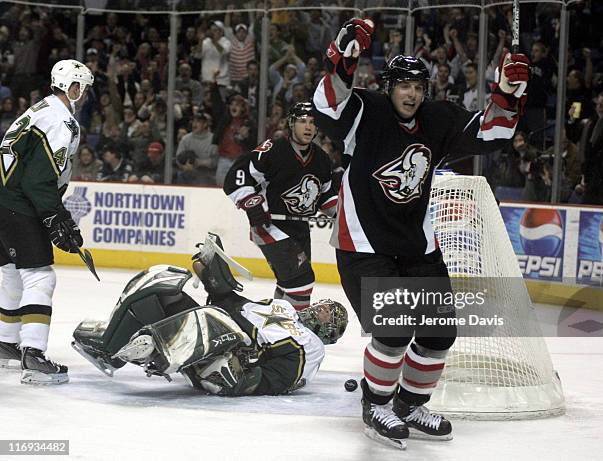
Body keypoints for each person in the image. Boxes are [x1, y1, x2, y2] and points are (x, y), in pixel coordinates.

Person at [313, 19, 529, 448]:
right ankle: (376, 404)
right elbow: (327, 107)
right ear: (388, 86)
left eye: (418, 86)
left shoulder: (438, 118)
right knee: (392, 329)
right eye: (402, 85)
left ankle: (409, 405)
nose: (410, 93)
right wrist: (342, 58)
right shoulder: (366, 111)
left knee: (437, 332)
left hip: (417, 245)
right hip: (364, 244)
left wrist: (508, 92)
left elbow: (492, 133)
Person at [72, 234, 348, 396]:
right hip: (217, 329)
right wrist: (212, 275)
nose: (322, 308)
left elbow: (285, 377)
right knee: (162, 285)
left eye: (330, 314)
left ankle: (156, 347)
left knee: (210, 319)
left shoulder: (312, 346)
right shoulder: (284, 308)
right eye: (324, 305)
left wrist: (247, 380)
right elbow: (235, 305)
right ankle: (111, 348)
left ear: (329, 332)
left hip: (225, 363)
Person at [0, 59, 94, 384]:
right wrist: (55, 217)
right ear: (74, 87)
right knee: (40, 277)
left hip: (3, 201)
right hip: (17, 205)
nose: (84, 94)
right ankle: (33, 354)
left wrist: (57, 214)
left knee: (11, 274)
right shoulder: (61, 120)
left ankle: (5, 343)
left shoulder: (40, 109)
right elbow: (39, 181)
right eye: (82, 87)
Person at [223, 102, 337, 310]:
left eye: (312, 122)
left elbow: (325, 194)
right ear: (291, 124)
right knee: (302, 281)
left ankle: (277, 328)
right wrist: (252, 203)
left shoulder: (321, 159)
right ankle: (296, 333)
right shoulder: (272, 150)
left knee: (289, 284)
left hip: (301, 229)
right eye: (303, 121)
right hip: (270, 226)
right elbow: (237, 175)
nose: (308, 127)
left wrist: (340, 214)